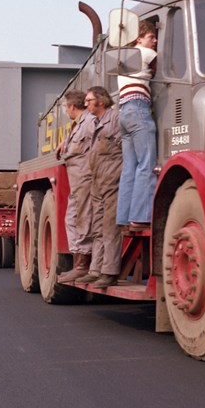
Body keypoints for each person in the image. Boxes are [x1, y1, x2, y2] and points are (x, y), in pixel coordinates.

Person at [75, 86, 123, 288]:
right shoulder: (93, 123)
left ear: (101, 102)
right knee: (97, 227)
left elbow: (127, 148)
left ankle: (109, 271)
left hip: (112, 179)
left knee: (110, 227)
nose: (85, 104)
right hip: (97, 180)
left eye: (88, 100)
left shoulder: (116, 119)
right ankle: (95, 270)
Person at [116, 19, 158, 230]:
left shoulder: (126, 58)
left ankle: (124, 218)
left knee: (129, 168)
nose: (155, 40)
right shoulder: (145, 52)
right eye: (151, 37)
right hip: (139, 109)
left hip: (123, 112)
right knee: (147, 164)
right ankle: (140, 217)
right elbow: (168, 64)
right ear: (139, 38)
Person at [55, 90, 95, 282]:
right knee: (73, 219)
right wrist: (66, 143)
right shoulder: (79, 125)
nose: (65, 110)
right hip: (78, 182)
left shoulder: (88, 123)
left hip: (85, 180)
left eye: (66, 107)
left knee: (81, 220)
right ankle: (80, 264)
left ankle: (82, 266)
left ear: (71, 107)